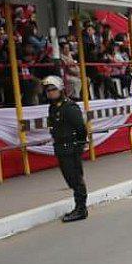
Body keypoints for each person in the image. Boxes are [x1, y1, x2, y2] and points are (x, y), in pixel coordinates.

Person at [44, 75, 89, 223]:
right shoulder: (52, 107)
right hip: (61, 147)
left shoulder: (69, 107)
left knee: (76, 178)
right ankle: (79, 207)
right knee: (70, 178)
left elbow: (81, 128)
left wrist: (80, 144)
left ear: (60, 89)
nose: (50, 92)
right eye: (48, 90)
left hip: (71, 147)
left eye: (53, 89)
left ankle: (81, 208)